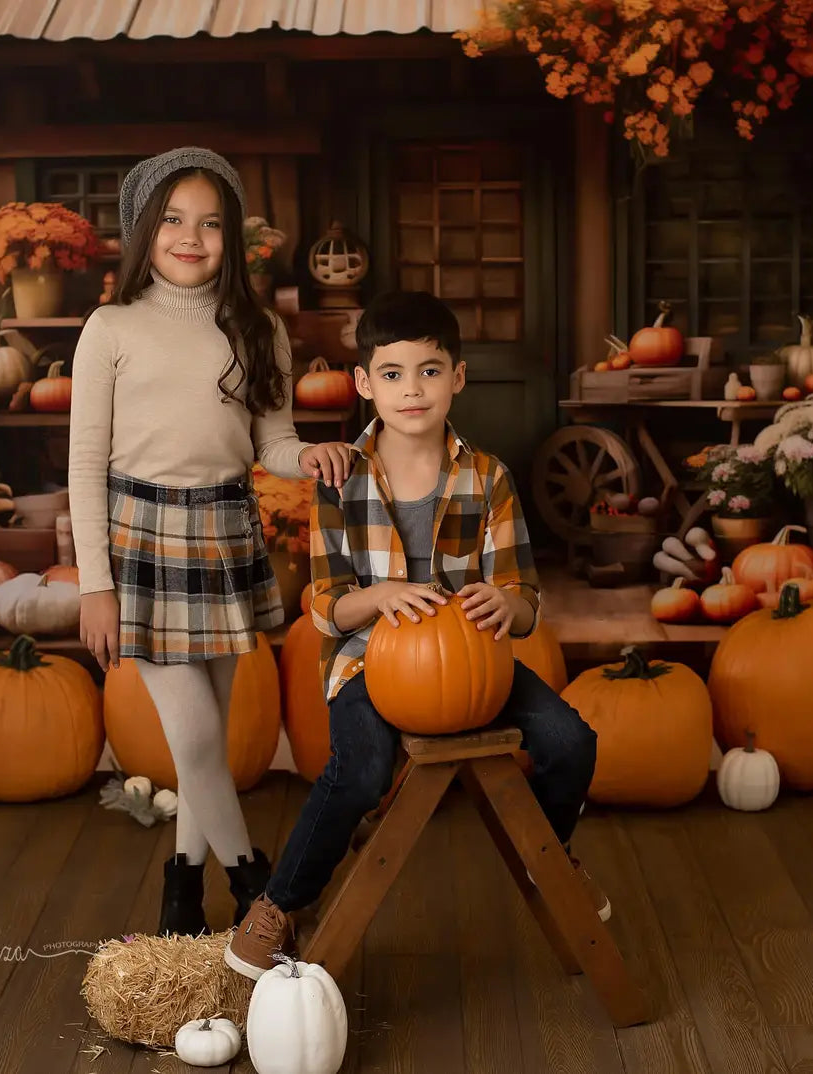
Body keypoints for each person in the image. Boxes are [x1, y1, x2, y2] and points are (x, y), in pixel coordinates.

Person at [224, 289, 604, 979]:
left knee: (571, 740)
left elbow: (526, 604)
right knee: (360, 769)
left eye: (430, 371)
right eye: (393, 374)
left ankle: (548, 850)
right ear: (365, 383)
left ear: (457, 377)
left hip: (472, 664)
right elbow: (327, 610)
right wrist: (380, 596)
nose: (412, 390)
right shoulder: (341, 479)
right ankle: (280, 903)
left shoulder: (488, 479)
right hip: (368, 662)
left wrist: (503, 604)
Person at [68, 147, 354, 937]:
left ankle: (182, 889)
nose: (191, 238)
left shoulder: (257, 327)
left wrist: (313, 456)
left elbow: (273, 441)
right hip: (142, 540)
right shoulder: (111, 327)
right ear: (142, 231)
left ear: (232, 239)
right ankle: (258, 883)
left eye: (211, 223)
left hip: (226, 532)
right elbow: (85, 462)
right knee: (192, 737)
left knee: (211, 746)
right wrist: (96, 583)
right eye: (173, 221)